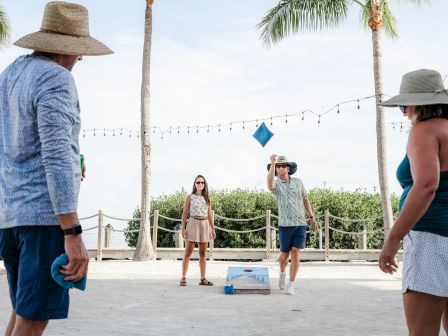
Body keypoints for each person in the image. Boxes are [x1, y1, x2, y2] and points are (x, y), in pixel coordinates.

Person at [0, 2, 112, 335]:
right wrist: (72, 232)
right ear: (72, 49)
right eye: (80, 52)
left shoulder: (9, 76)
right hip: (45, 219)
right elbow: (57, 153)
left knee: (23, 310)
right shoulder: (56, 77)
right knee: (33, 322)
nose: (81, 59)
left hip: (11, 217)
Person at [378, 69, 448, 335]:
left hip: (432, 240)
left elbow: (427, 185)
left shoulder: (424, 131)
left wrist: (394, 239)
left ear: (417, 104)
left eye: (404, 106)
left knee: (422, 332)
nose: (405, 113)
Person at [267, 155, 318, 295]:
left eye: (283, 166)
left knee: (295, 252)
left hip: (300, 224)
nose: (280, 168)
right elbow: (269, 183)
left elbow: (305, 199)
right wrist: (272, 163)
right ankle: (282, 273)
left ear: (288, 168)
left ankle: (291, 284)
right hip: (285, 225)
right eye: (278, 166)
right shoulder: (276, 185)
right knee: (284, 255)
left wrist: (311, 217)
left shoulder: (298, 182)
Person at [180, 175, 216, 286]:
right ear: (195, 184)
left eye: (202, 182)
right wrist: (183, 228)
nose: (200, 184)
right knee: (188, 252)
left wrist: (212, 228)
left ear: (205, 184)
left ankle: (203, 278)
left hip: (204, 224)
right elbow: (185, 213)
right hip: (193, 223)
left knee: (203, 253)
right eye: (198, 182)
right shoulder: (190, 197)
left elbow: (209, 214)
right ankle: (183, 277)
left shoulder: (207, 198)